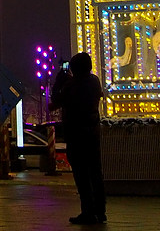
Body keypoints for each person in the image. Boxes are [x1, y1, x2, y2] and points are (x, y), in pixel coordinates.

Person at [49, 52, 106, 224]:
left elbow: (54, 103)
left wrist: (58, 83)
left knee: (81, 174)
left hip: (76, 134)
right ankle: (100, 211)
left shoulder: (72, 85)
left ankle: (87, 211)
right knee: (95, 173)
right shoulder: (94, 81)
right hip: (93, 133)